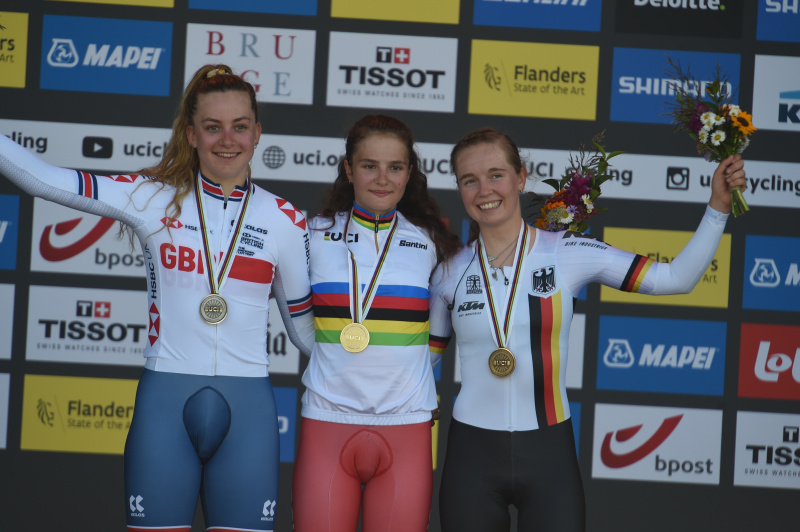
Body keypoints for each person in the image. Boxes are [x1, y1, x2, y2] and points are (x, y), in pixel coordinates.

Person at [0, 64, 314, 531]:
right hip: (165, 402)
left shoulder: (285, 220)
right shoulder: (151, 197)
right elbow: (45, 181)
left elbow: (306, 335)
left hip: (248, 409)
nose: (228, 140)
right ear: (191, 134)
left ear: (257, 133)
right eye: (213, 127)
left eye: (240, 126)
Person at [429, 127, 747, 532]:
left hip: (549, 457)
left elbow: (675, 279)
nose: (484, 190)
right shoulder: (449, 271)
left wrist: (718, 207)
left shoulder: (567, 252)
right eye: (469, 180)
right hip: (471, 457)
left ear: (521, 177)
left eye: (496, 175)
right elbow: (420, 365)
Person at [291, 114, 460, 532]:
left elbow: (436, 339)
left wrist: (409, 376)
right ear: (349, 170)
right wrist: (338, 357)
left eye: (395, 167)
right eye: (369, 166)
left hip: (406, 424)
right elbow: (303, 332)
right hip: (327, 419)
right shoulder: (311, 235)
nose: (383, 179)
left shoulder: (432, 241)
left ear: (409, 172)